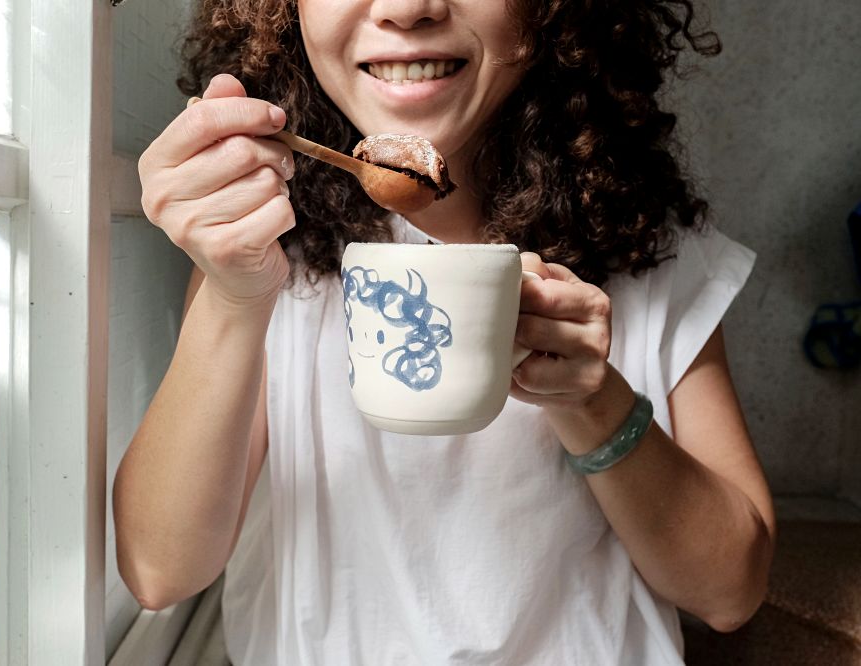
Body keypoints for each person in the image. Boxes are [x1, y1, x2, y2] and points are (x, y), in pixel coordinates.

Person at [112, 0, 776, 663]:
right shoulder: (258, 245)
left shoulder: (650, 249)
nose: (408, 9)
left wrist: (592, 401)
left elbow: (730, 592)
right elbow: (160, 571)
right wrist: (234, 294)